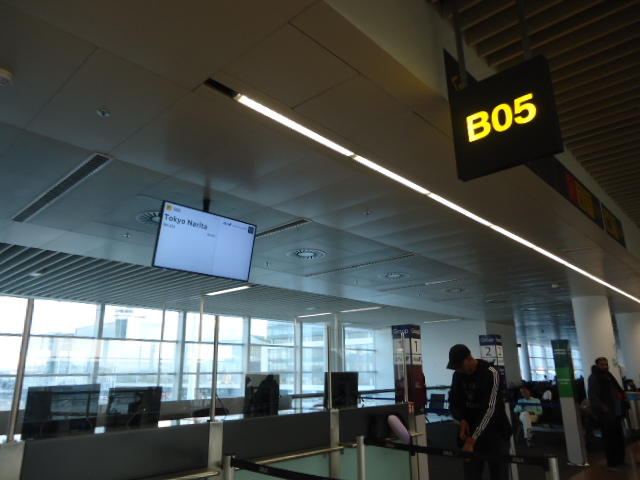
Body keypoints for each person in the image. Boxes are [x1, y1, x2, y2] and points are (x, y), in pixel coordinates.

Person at [448, 344, 512, 480]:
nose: (459, 370)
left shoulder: (491, 373)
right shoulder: (458, 375)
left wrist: (472, 440)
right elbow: (453, 401)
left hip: (495, 434)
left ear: (469, 358)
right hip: (470, 435)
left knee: (499, 475)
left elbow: (490, 409)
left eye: (460, 366)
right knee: (471, 475)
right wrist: (461, 419)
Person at [588, 357, 628, 470]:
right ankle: (613, 463)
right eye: (602, 364)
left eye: (606, 364)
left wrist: (623, 397)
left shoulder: (608, 375)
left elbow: (616, 389)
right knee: (609, 439)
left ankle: (620, 460)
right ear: (597, 365)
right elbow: (593, 396)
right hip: (606, 414)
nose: (605, 366)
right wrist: (603, 407)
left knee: (618, 437)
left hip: (615, 412)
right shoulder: (594, 377)